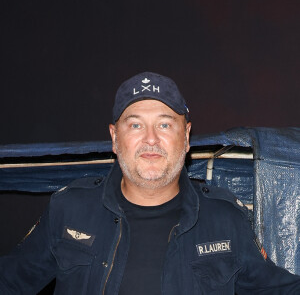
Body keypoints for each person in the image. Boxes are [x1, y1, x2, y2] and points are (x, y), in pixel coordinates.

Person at [0, 72, 300, 294]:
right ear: (115, 138)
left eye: (165, 124)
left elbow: (276, 288)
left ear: (186, 137)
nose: (151, 139)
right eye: (135, 125)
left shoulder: (225, 219)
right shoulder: (69, 209)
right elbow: (11, 280)